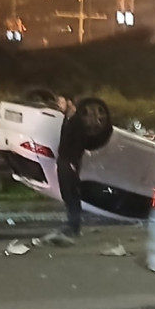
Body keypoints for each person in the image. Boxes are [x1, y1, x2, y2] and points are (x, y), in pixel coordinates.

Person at [55, 93, 85, 239]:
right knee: (66, 194)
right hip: (63, 160)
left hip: (70, 162)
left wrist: (73, 162)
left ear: (69, 102)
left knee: (72, 194)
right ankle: (71, 223)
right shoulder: (66, 119)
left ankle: (74, 225)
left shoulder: (78, 121)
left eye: (61, 102)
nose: (59, 105)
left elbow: (80, 144)